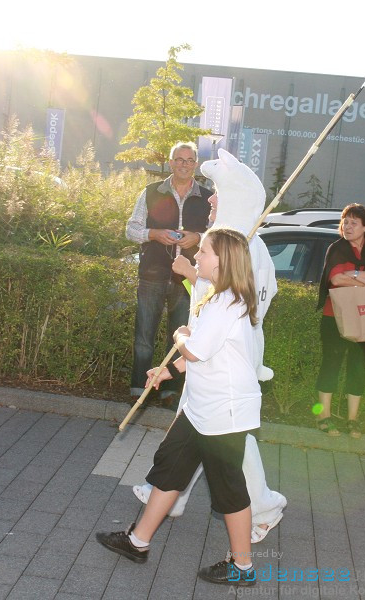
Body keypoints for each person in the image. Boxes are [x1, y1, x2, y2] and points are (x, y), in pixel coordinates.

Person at [132, 148, 286, 544]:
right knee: (203, 435)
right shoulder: (237, 241)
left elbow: (227, 303)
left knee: (228, 448)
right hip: (213, 365)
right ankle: (169, 496)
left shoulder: (242, 244)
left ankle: (259, 511)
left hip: (223, 369)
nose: (211, 200)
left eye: (217, 193)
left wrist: (189, 276)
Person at [97, 227, 261, 587]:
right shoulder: (219, 298)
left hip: (224, 413)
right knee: (171, 467)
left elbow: (195, 348)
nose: (196, 257)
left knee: (229, 489)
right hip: (202, 409)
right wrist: (168, 371)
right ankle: (138, 541)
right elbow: (198, 357)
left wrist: (179, 335)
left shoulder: (228, 302)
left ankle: (243, 567)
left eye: (203, 252)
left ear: (222, 261)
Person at [125, 141, 212, 400]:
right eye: (179, 159)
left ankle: (170, 390)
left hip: (189, 279)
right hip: (152, 273)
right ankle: (139, 389)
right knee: (144, 336)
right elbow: (131, 229)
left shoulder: (208, 198)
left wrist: (197, 237)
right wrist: (153, 234)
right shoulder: (152, 192)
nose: (184, 164)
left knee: (181, 338)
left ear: (195, 165)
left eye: (189, 160)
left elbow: (218, 235)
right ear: (171, 162)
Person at [315, 204, 365, 438]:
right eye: (345, 221)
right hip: (334, 316)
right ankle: (323, 416)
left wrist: (354, 275)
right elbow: (335, 279)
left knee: (358, 368)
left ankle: (353, 420)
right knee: (331, 365)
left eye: (353, 223)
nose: (347, 226)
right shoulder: (336, 248)